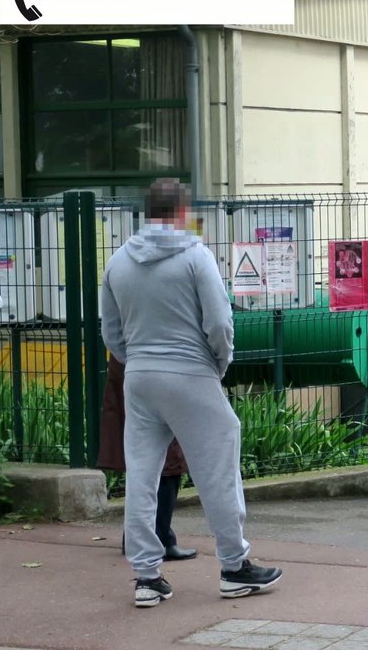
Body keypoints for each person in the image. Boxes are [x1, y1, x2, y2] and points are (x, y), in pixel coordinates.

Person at [101, 178, 282, 609]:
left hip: (139, 376)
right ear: (183, 213)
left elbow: (111, 331)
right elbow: (219, 322)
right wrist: (217, 364)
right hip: (190, 370)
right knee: (218, 466)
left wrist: (137, 359)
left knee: (142, 475)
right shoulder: (196, 256)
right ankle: (234, 567)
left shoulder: (118, 262)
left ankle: (147, 577)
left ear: (147, 213)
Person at [97, 355, 196, 563]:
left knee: (143, 459)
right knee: (168, 458)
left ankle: (139, 538)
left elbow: (112, 338)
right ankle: (158, 539)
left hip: (132, 365)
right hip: (156, 366)